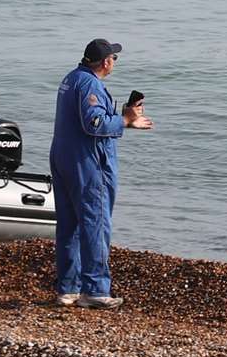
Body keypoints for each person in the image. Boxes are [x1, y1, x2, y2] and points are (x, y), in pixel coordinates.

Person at [49, 38, 152, 309]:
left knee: (69, 225)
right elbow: (94, 123)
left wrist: (125, 121)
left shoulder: (72, 78)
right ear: (106, 62)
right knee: (96, 223)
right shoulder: (90, 84)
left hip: (64, 158)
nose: (115, 62)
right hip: (88, 163)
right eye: (114, 58)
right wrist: (126, 119)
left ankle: (68, 288)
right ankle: (94, 289)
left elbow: (87, 120)